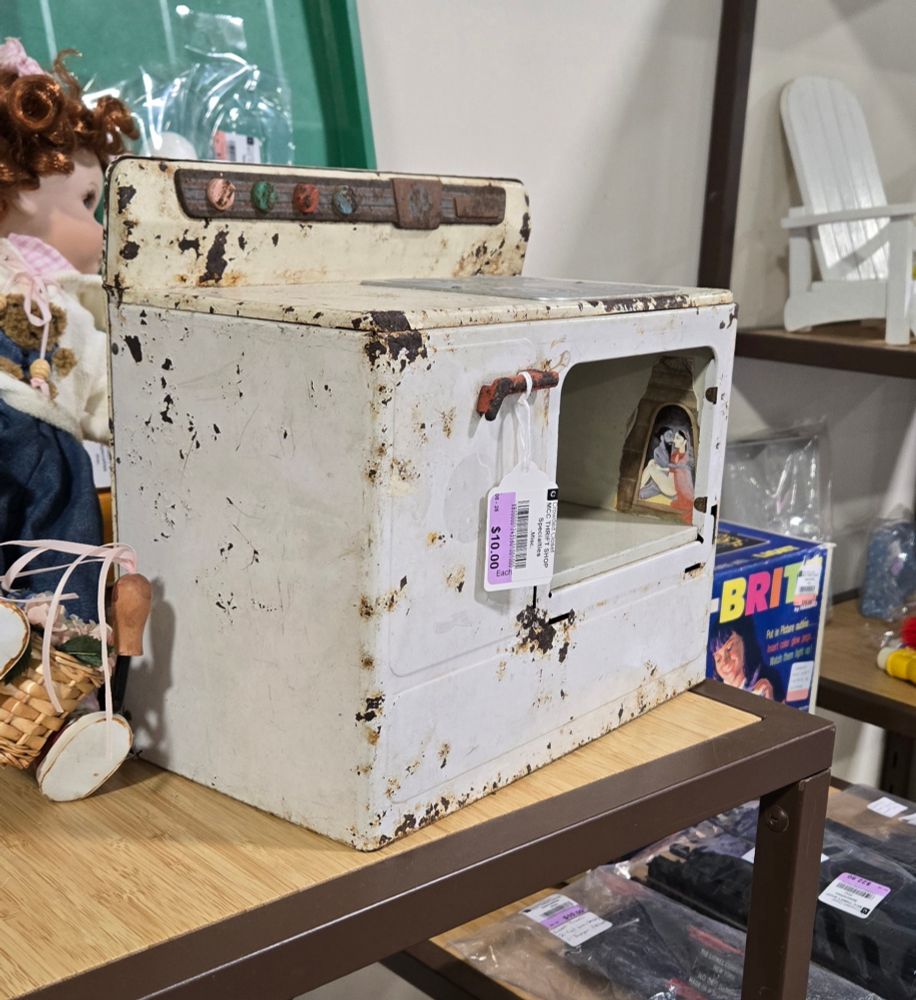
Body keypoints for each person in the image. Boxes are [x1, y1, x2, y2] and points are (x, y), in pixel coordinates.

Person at [0, 38, 137, 620]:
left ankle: (53, 629)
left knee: (61, 498)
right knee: (61, 497)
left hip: (37, 441)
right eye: (87, 202)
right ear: (25, 191)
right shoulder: (44, 287)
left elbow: (113, 392)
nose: (101, 228)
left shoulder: (72, 302)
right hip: (20, 434)